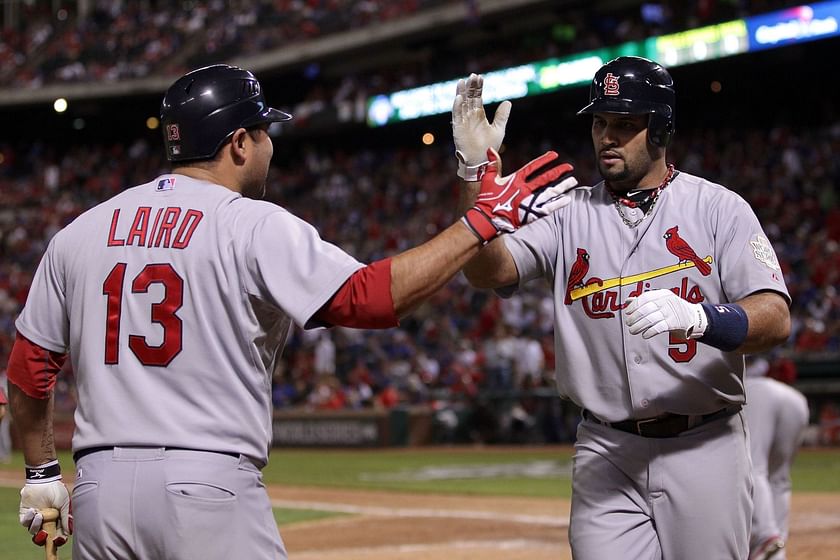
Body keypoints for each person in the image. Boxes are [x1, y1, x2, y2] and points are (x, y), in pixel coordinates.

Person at [7, 64, 578, 560]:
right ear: (238, 144)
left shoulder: (80, 232)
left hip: (99, 490)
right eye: (264, 132)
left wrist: (38, 473)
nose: (270, 146)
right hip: (205, 486)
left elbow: (29, 370)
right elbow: (371, 298)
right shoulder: (251, 223)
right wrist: (479, 222)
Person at [452, 57, 791, 559]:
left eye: (626, 124)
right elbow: (486, 271)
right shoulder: (567, 213)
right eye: (600, 121)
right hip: (605, 448)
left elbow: (775, 316)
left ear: (661, 131)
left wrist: (702, 319)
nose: (607, 136)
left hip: (704, 444)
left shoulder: (719, 208)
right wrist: (474, 175)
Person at [744, 356, 809, 560]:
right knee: (779, 479)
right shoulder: (770, 343)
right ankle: (776, 549)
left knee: (754, 468)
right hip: (795, 398)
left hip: (755, 391)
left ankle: (765, 537)